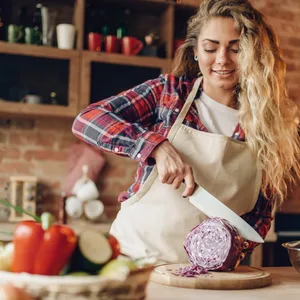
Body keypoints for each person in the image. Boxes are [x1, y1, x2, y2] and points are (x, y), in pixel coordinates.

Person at [72, 0, 300, 263]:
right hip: (133, 259)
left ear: (254, 54)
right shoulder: (169, 93)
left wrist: (229, 253)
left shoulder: (266, 127)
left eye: (236, 49)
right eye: (210, 48)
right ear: (195, 51)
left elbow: (258, 216)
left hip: (205, 277)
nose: (222, 59)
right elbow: (88, 120)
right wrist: (156, 146)